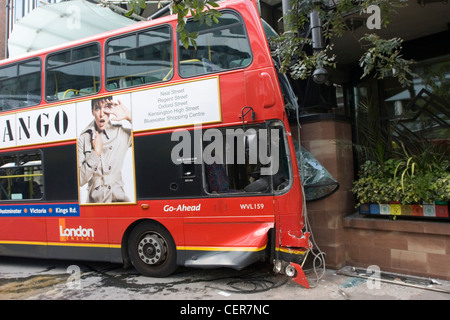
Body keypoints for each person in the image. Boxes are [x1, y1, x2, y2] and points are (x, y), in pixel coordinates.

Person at [78, 96, 132, 203]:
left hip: (119, 199)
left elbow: (150, 136)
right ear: (92, 111)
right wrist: (95, 154)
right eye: (97, 108)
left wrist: (129, 116)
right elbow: (79, 180)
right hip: (94, 202)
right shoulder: (84, 138)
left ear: (111, 110)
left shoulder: (120, 133)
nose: (102, 114)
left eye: (106, 107)